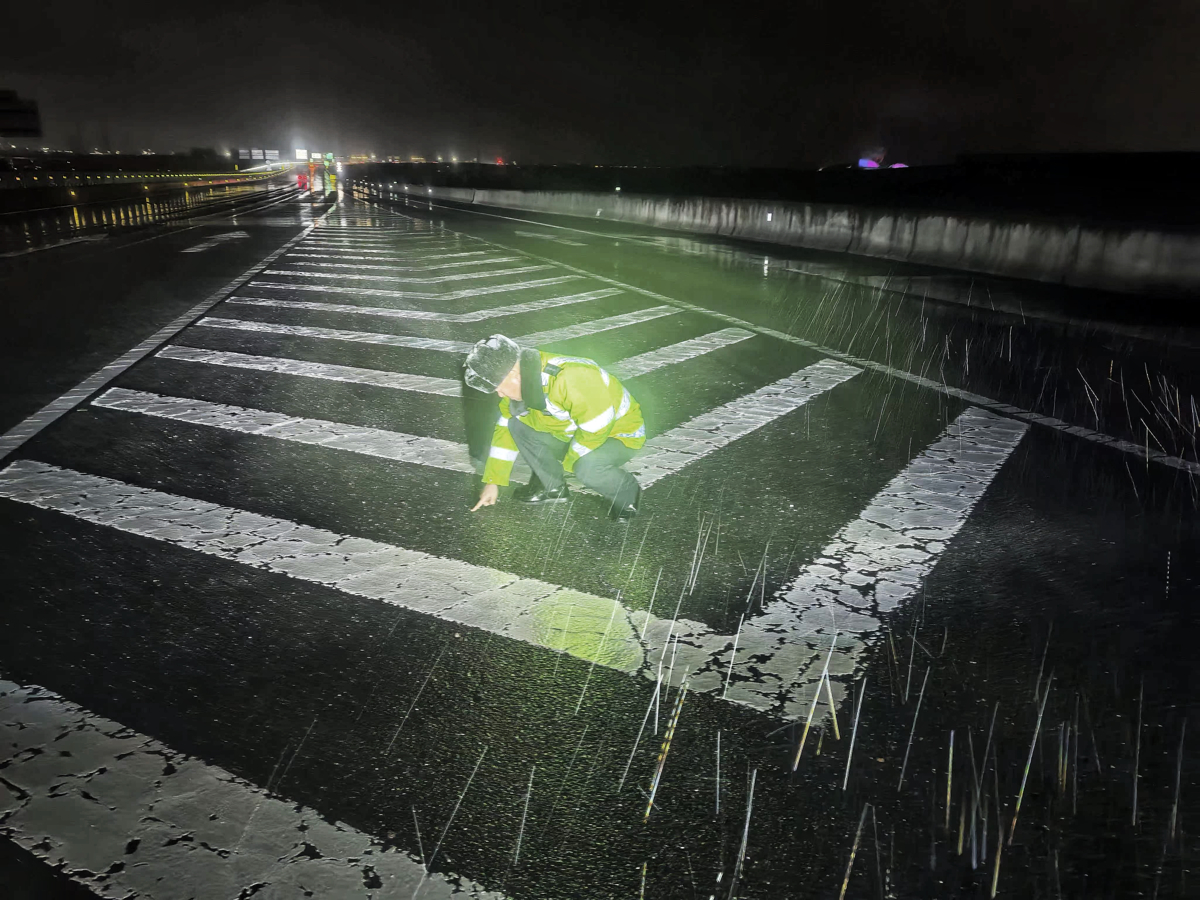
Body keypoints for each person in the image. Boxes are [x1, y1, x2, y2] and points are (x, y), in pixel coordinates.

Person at [464, 334, 644, 519]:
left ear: (514, 374)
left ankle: (626, 490)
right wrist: (493, 481)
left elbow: (596, 428)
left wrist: (570, 463)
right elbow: (504, 429)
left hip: (618, 435)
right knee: (515, 423)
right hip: (573, 432)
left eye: (499, 387)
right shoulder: (525, 379)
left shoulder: (572, 379)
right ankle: (553, 488)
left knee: (586, 468)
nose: (500, 394)